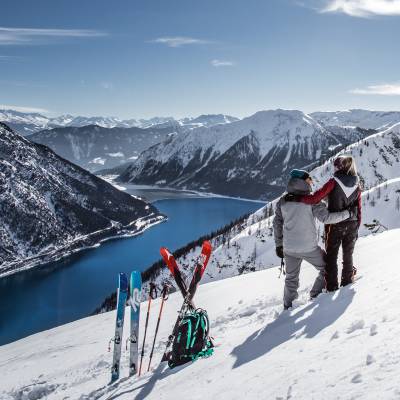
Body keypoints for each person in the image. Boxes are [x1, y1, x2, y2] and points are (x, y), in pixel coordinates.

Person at [273, 169, 357, 310]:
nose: (311, 182)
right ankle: (315, 295)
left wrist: (278, 245)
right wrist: (348, 213)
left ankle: (288, 308)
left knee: (291, 279)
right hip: (308, 248)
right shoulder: (311, 201)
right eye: (309, 179)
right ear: (302, 182)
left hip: (289, 248)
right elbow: (326, 218)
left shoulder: (283, 201)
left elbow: (277, 223)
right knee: (327, 267)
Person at [286, 155, 361, 291]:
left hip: (335, 225)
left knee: (331, 256)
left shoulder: (334, 181)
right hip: (352, 223)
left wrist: (299, 198)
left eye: (335, 166)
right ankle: (347, 281)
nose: (334, 168)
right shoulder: (357, 182)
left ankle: (331, 287)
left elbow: (315, 198)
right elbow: (358, 206)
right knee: (348, 254)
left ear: (339, 167)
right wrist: (357, 226)